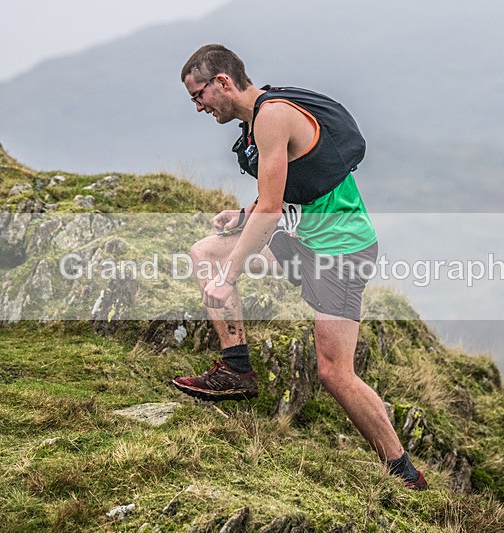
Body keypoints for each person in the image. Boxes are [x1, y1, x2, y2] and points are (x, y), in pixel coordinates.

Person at [173, 44, 427, 490]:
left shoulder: (272, 115)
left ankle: (403, 470)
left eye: (199, 95)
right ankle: (237, 369)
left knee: (334, 372)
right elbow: (276, 192)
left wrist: (229, 275)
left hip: (341, 253)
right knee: (204, 252)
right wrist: (242, 217)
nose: (197, 106)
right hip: (305, 242)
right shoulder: (258, 118)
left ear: (223, 83)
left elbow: (272, 209)